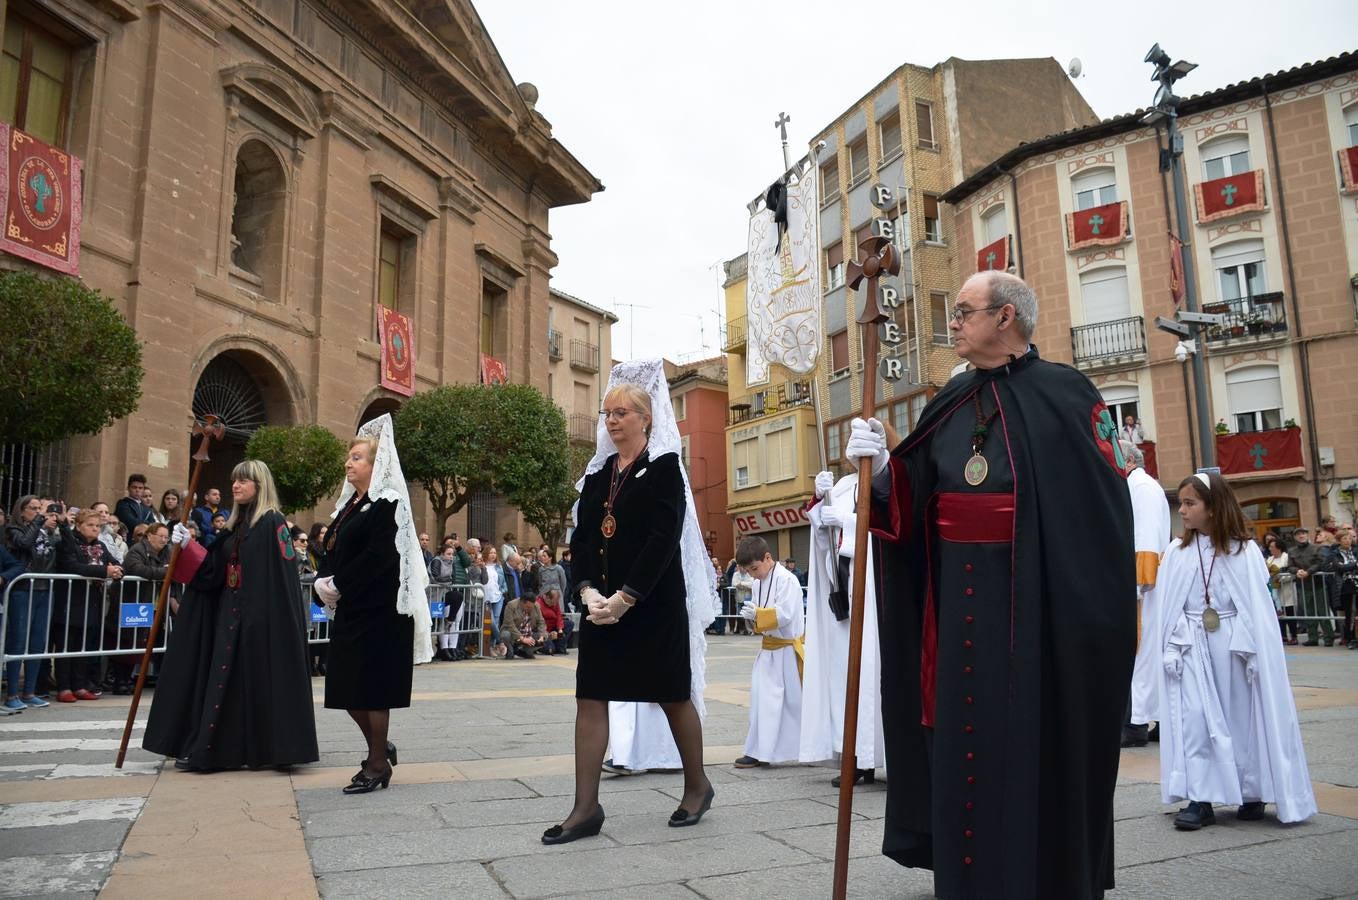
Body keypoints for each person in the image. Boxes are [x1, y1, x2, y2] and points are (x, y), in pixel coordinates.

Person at [846, 271, 1134, 898]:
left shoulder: (1067, 394)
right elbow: (914, 497)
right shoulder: (950, 399)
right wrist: (882, 472)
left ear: (1005, 317)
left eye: (963, 311)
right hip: (956, 615)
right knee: (963, 748)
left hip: (1036, 613)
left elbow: (1102, 512)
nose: (952, 322)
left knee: (1031, 745)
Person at [545, 363, 716, 845]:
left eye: (621, 412)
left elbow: (663, 539)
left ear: (646, 417)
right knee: (590, 696)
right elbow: (581, 538)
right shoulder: (599, 474)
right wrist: (586, 591)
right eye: (608, 413)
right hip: (602, 606)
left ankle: (697, 786)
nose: (612, 420)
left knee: (672, 694)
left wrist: (627, 597)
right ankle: (586, 808)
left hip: (652, 605)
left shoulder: (664, 468)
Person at [1154, 472, 1315, 829]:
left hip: (1234, 647)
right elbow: (1170, 607)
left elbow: (1255, 607)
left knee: (1243, 717)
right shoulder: (1178, 553)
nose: (1182, 510)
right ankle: (1200, 798)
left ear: (1212, 507)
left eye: (1190, 503)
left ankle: (1250, 790)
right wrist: (1174, 645)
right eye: (1182, 503)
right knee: (1196, 719)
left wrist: (1252, 648)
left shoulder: (1243, 552)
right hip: (1193, 645)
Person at [142, 460, 318, 771]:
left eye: (243, 481)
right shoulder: (237, 526)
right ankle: (223, 749)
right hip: (232, 616)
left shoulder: (273, 523)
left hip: (261, 622)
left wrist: (265, 619)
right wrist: (189, 546)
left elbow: (281, 580)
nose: (235, 486)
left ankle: (269, 749)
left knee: (254, 684)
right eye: (234, 480)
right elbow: (213, 571)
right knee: (227, 684)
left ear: (260, 486)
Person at [314, 416, 433, 793]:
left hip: (381, 612)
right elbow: (330, 547)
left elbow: (378, 556)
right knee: (345, 689)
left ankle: (377, 764)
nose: (348, 464)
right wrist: (322, 579)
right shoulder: (349, 506)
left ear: (376, 464)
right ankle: (380, 745)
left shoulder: (388, 504)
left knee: (371, 690)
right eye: (349, 457)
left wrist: (339, 583)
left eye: (356, 458)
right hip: (353, 608)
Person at [799, 468, 884, 786]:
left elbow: (889, 531)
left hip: (875, 595)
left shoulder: (887, 480)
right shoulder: (846, 485)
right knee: (845, 678)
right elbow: (825, 540)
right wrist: (820, 502)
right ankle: (854, 756)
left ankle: (876, 754)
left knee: (873, 676)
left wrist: (849, 522)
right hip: (843, 591)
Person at [733, 535, 804, 769]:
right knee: (762, 702)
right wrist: (753, 619)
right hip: (769, 650)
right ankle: (759, 750)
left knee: (794, 704)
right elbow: (760, 616)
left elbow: (786, 614)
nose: (753, 575)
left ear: (767, 557)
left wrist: (758, 615)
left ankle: (805, 748)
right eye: (748, 571)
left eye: (754, 568)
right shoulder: (757, 583)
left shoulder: (788, 580)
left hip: (788, 651)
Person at [1124, 441, 1173, 748]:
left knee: (1141, 654)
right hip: (1147, 585)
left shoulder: (1140, 487)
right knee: (1149, 655)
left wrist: (1138, 582)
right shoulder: (1140, 485)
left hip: (1145, 587)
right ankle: (1156, 718)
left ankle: (1136, 723)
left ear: (1128, 460)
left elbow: (1144, 536)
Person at [55, 508, 122, 700]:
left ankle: (80, 685)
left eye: (98, 526)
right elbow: (72, 566)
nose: (95, 529)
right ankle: (64, 687)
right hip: (70, 601)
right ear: (78, 526)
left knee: (83, 646)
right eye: (90, 525)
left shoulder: (101, 545)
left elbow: (115, 563)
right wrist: (104, 571)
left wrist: (118, 571)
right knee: (66, 646)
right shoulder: (68, 543)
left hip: (92, 602)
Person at [3, 496, 59, 712]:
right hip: (22, 589)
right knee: (18, 641)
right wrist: (38, 521)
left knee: (37, 643)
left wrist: (62, 523)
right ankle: (12, 694)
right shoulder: (13, 529)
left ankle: (30, 692)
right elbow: (24, 544)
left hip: (44, 589)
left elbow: (60, 548)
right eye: (33, 508)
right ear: (21, 510)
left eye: (39, 508)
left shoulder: (45, 531)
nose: (38, 512)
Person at [1287, 527, 1334, 646]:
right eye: (1298, 534)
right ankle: (1313, 638)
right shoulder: (1292, 551)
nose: (1301, 536)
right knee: (1309, 612)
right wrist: (1297, 571)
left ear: (1307, 535)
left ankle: (1329, 638)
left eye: (1303, 533)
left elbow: (1320, 563)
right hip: (1303, 586)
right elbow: (1290, 566)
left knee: (1323, 611)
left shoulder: (1317, 548)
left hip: (1318, 584)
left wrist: (1308, 572)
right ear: (1295, 537)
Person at [1323, 529, 1358, 649]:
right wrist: (1355, 565)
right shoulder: (1335, 554)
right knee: (1350, 613)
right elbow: (1339, 567)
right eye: (1344, 538)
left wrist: (1348, 566)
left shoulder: (1355, 551)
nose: (1348, 540)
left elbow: (1344, 566)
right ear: (1339, 541)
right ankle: (1350, 638)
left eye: (1349, 538)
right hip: (1346, 585)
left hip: (1356, 581)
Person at [1265, 535, 1299, 645]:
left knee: (1290, 613)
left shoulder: (1287, 557)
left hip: (1287, 590)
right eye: (1269, 546)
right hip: (1274, 591)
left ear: (1278, 547)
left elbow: (1291, 573)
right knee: (1279, 615)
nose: (1270, 548)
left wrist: (1280, 579)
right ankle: (1283, 636)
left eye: (1272, 546)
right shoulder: (1270, 559)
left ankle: (1294, 636)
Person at [500, 592, 546, 658]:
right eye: (527, 607)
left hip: (529, 633)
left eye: (531, 607)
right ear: (521, 602)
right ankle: (510, 650)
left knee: (545, 635)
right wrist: (522, 638)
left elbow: (541, 622)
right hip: (514, 634)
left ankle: (526, 651)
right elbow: (509, 624)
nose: (529, 609)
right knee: (505, 634)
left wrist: (541, 636)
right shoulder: (511, 605)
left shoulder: (536, 606)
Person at [482, 546, 507, 658]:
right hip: (486, 598)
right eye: (491, 553)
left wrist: (502, 591)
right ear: (486, 553)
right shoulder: (482, 565)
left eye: (494, 553)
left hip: (497, 597)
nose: (493, 555)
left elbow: (503, 582)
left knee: (495, 622)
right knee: (490, 622)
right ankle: (501, 642)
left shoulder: (498, 567)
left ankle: (491, 646)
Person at [537, 588, 572, 655]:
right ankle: (544, 647)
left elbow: (559, 615)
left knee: (569, 624)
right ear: (547, 597)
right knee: (550, 650)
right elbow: (539, 623)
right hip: (544, 630)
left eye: (555, 603)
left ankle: (560, 647)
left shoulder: (555, 602)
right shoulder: (538, 604)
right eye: (552, 603)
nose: (554, 605)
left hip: (554, 626)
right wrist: (548, 633)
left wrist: (560, 629)